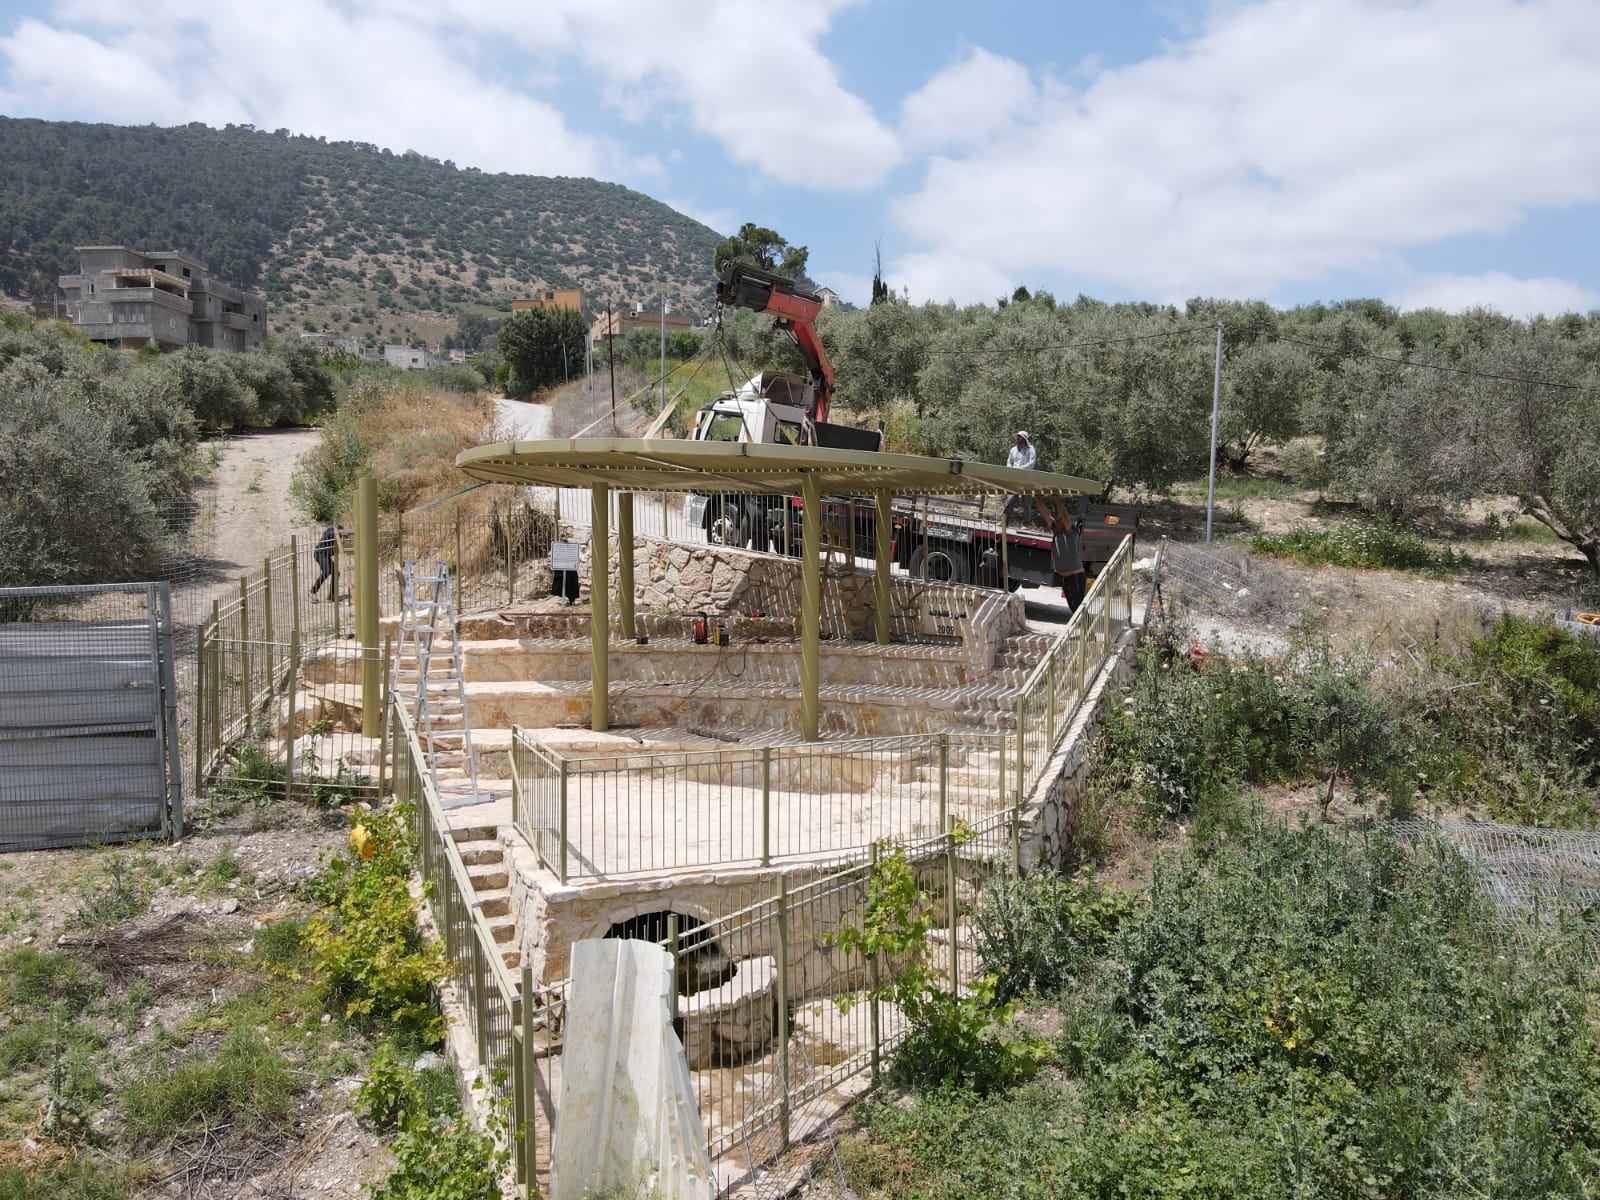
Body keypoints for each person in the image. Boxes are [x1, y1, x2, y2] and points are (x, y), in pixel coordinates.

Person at [1035, 494, 1086, 611]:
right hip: (1066, 577)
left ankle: (1087, 627)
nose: (1056, 523)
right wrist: (1037, 499)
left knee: (1079, 607)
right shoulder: (1056, 531)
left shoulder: (1071, 532)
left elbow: (1064, 515)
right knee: (1073, 606)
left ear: (1064, 524)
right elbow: (1046, 515)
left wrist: (1056, 499)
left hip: (1076, 576)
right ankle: (1082, 627)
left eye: (1059, 522)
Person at [1003, 431, 1037, 525]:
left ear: (1024, 439)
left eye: (1020, 437)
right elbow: (1009, 461)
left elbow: (1031, 463)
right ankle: (1004, 522)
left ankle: (1026, 524)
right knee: (1010, 500)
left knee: (1027, 502)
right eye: (1017, 436)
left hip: (1027, 479)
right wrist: (1010, 469)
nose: (1018, 438)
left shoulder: (1031, 450)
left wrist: (1019, 469)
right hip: (1014, 478)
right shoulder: (1013, 449)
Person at [310, 525, 343, 600]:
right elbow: (330, 533)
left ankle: (332, 595)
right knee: (327, 571)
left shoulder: (333, 537)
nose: (341, 537)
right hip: (320, 553)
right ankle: (313, 591)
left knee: (336, 573)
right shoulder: (330, 532)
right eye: (340, 535)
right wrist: (338, 532)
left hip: (325, 555)